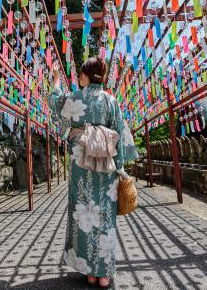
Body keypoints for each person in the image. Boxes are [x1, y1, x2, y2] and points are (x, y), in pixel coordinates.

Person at [48, 57, 138, 288]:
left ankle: (88, 272)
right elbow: (122, 134)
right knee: (105, 216)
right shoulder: (110, 100)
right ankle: (104, 274)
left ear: (88, 75)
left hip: (81, 162)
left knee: (83, 213)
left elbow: (56, 104)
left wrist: (56, 81)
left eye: (81, 74)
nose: (79, 78)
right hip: (105, 163)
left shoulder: (76, 97)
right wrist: (120, 166)